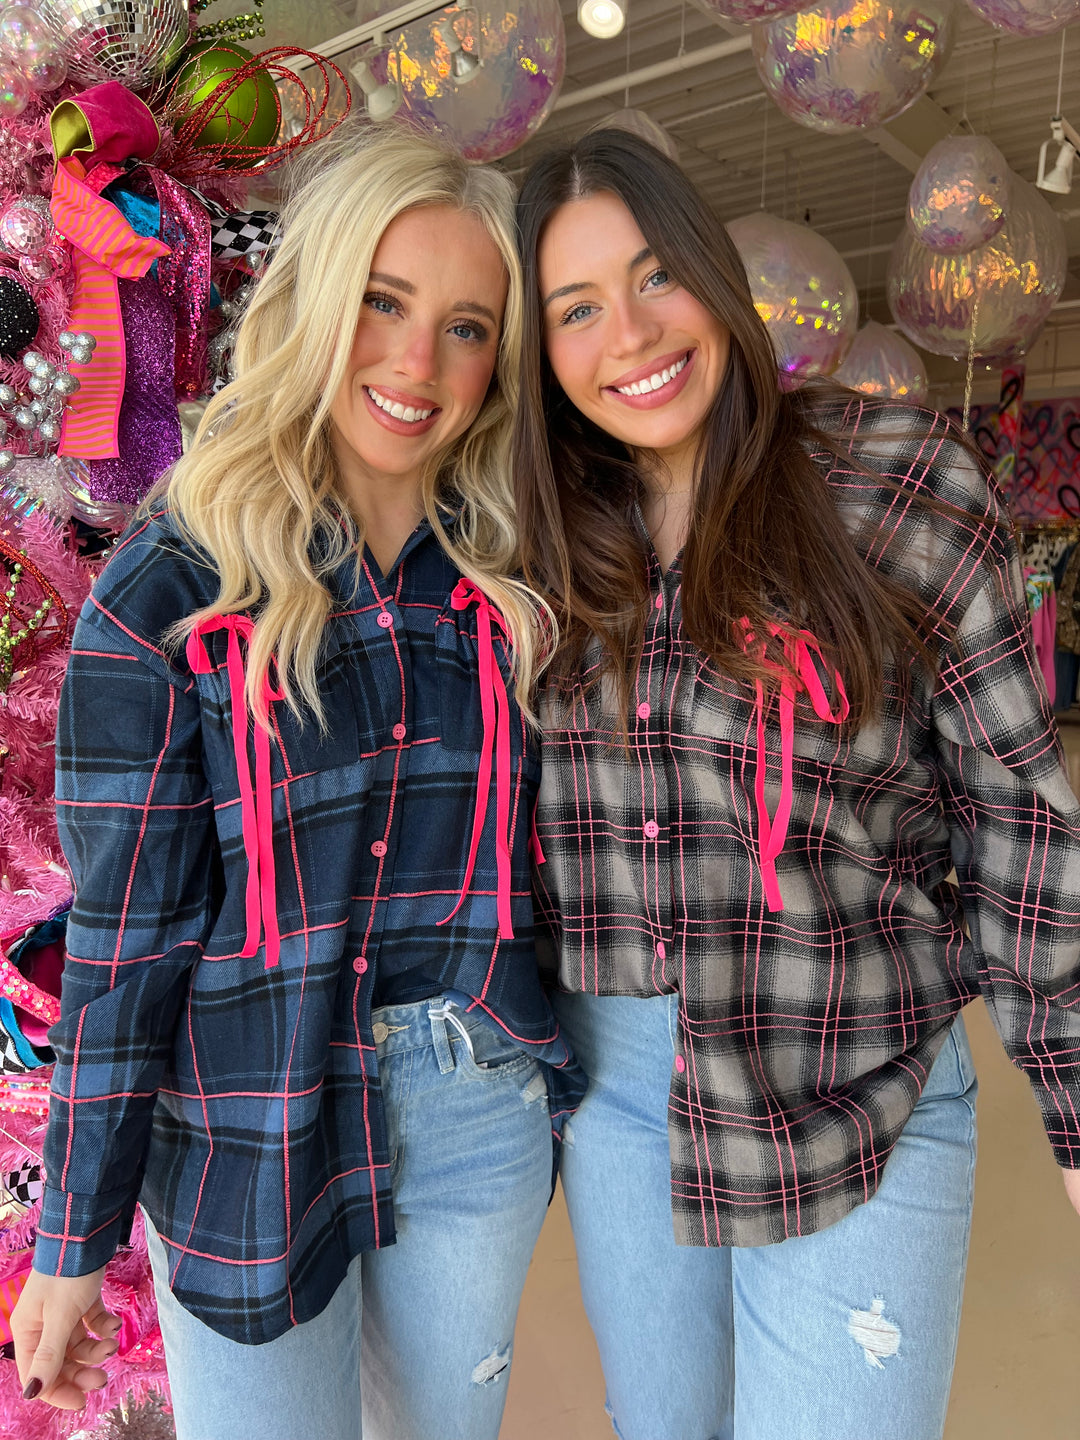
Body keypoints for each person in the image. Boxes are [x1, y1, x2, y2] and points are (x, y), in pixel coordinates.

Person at [12, 122, 583, 1440]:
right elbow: (125, 939)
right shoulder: (170, 592)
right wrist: (71, 1241)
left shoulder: (513, 581)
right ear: (318, 299)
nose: (416, 361)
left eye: (465, 327)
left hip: (474, 1106)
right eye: (383, 301)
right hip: (242, 1132)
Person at [513, 128, 1080, 1440]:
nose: (631, 336)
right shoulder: (534, 543)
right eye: (575, 310)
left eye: (656, 276)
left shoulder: (891, 480)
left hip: (854, 1069)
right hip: (624, 1100)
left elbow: (1019, 817)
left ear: (713, 270)